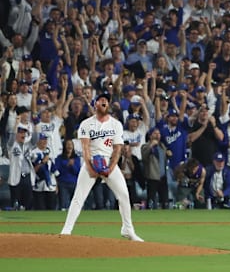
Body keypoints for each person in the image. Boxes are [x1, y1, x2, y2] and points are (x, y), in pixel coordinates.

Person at [60, 93, 143, 241]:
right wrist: (90, 167)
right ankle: (66, 229)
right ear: (95, 104)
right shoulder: (86, 124)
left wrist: (111, 168)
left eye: (106, 100)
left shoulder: (116, 124)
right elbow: (85, 148)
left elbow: (117, 149)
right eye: (101, 100)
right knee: (79, 197)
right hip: (90, 161)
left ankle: (128, 229)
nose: (104, 101)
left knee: (124, 195)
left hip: (108, 162)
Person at [8, 124, 35, 210]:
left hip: (27, 176)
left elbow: (35, 138)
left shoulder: (27, 146)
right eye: (20, 133)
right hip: (16, 176)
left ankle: (27, 220)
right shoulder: (11, 145)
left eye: (24, 133)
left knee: (28, 201)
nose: (23, 135)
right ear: (16, 134)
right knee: (16, 202)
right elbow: (11, 138)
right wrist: (16, 123)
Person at [141, 128, 169, 209]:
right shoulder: (145, 146)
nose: (157, 135)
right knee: (151, 200)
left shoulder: (162, 146)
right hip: (152, 176)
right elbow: (144, 157)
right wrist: (151, 146)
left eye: (159, 133)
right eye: (155, 133)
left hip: (163, 176)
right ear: (150, 136)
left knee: (165, 200)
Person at [31, 133, 58, 210]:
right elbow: (33, 170)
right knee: (40, 209)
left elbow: (53, 170)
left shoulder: (50, 151)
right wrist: (42, 162)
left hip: (50, 185)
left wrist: (56, 185)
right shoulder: (33, 153)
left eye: (45, 139)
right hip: (38, 185)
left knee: (52, 208)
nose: (44, 141)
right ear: (37, 140)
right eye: (42, 139)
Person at [55, 138, 81, 210]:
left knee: (75, 205)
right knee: (64, 205)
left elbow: (78, 172)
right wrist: (67, 165)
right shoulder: (59, 158)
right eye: (68, 144)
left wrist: (72, 165)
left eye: (71, 144)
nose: (69, 146)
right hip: (63, 184)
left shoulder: (76, 158)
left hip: (74, 183)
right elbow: (57, 172)